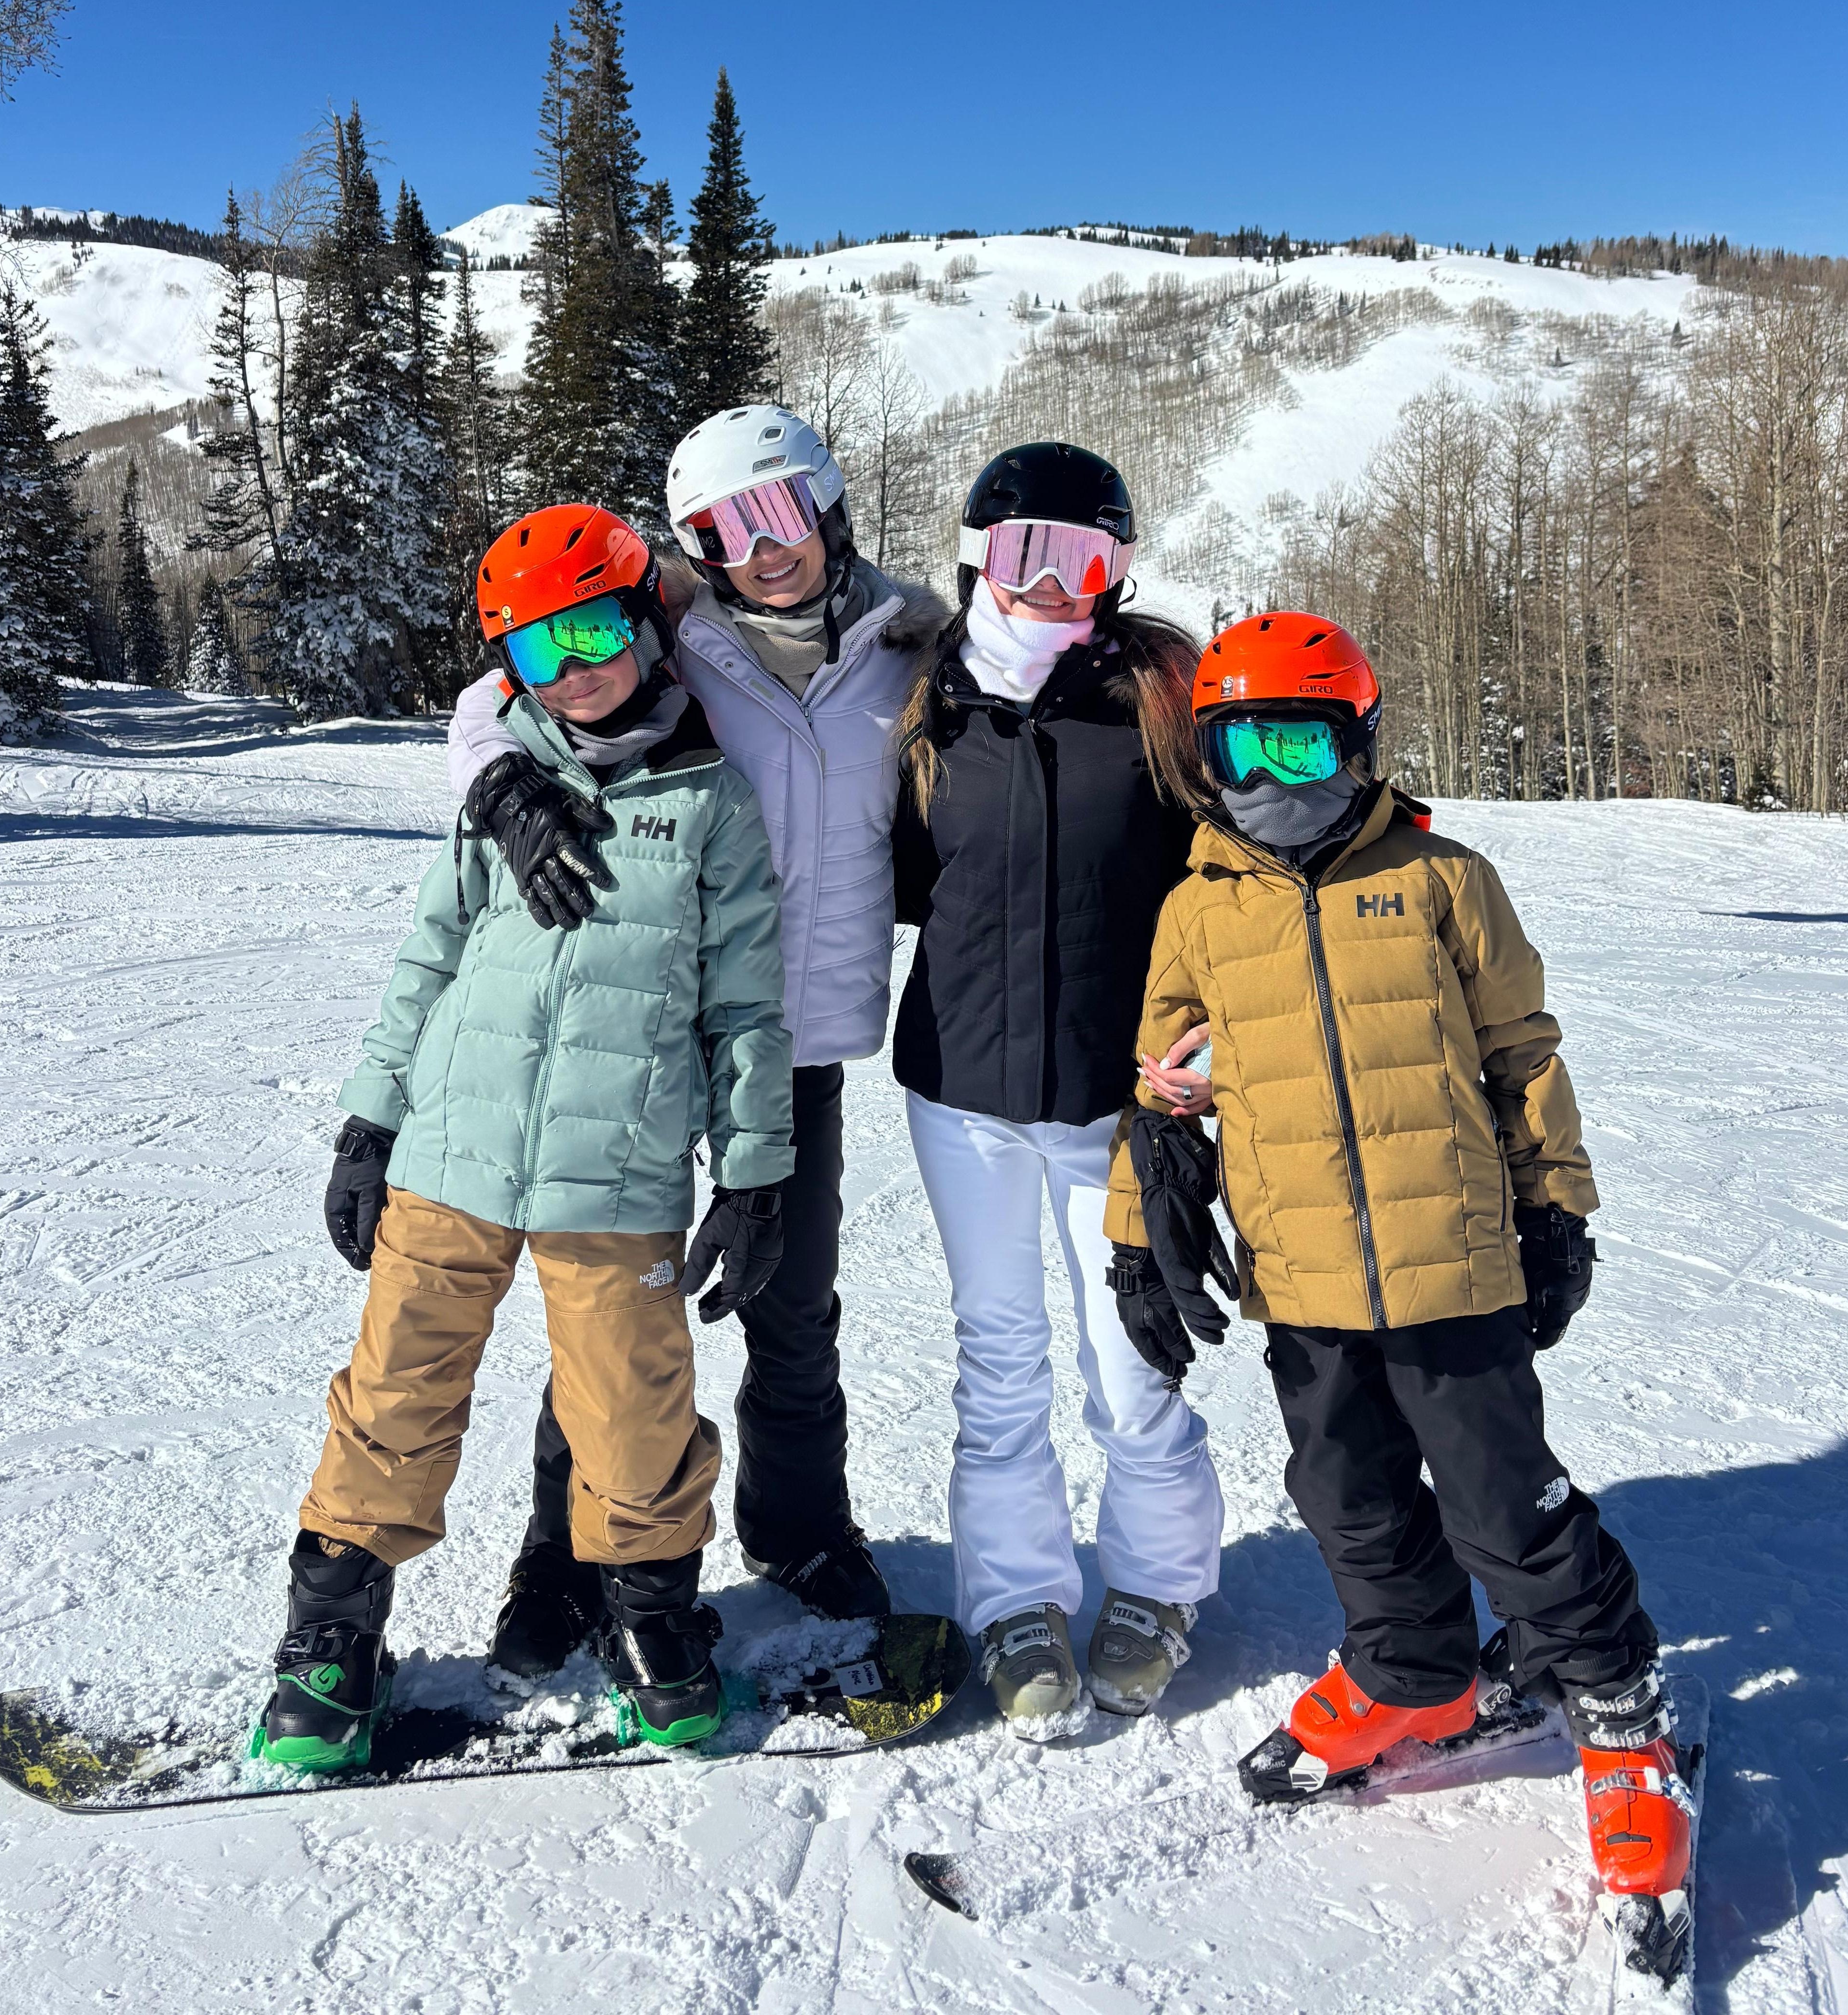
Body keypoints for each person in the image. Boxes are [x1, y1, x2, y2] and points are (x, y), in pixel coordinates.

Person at [1106, 610, 1691, 1973]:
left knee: (1504, 1506)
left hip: (1454, 1266)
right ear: (1204, 761)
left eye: (1301, 743)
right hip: (1301, 1279)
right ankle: (1410, 1672)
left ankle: (1618, 1710)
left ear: (1357, 743)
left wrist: (1555, 1206)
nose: (1273, 777)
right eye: (1240, 749)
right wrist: (1140, 1232)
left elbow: (1522, 1053)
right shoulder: (1198, 909)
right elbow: (1161, 1094)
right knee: (1345, 1496)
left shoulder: (1441, 880)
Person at [254, 505, 794, 1768]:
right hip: (451, 1155)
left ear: (647, 624)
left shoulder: (712, 799)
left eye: (595, 631)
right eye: (541, 650)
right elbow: (428, 958)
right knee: (394, 1393)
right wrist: (370, 1120)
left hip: (619, 1174)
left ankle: (649, 1621)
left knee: (634, 1412)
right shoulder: (499, 797)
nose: (577, 668)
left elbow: (745, 1008)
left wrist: (755, 1174)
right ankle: (332, 1636)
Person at [446, 408, 945, 1671]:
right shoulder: (671, 632)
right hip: (645, 1025)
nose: (761, 551)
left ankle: (802, 1529)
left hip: (797, 1036)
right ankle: (565, 1555)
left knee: (793, 1305)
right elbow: (495, 697)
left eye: (778, 513)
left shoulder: (910, 649)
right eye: (722, 530)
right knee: (609, 1316)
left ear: (828, 505)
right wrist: (500, 784)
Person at [891, 440, 1225, 1732]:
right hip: (960, 1089)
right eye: (1027, 551)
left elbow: (1248, 867)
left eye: (1085, 557)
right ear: (978, 556)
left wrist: (1217, 1033)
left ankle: (1158, 1584)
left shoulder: (1159, 696)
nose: (1052, 582)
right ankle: (1016, 1600)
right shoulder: (924, 701)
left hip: (1117, 1094)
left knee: (1131, 1353)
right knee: (999, 1358)